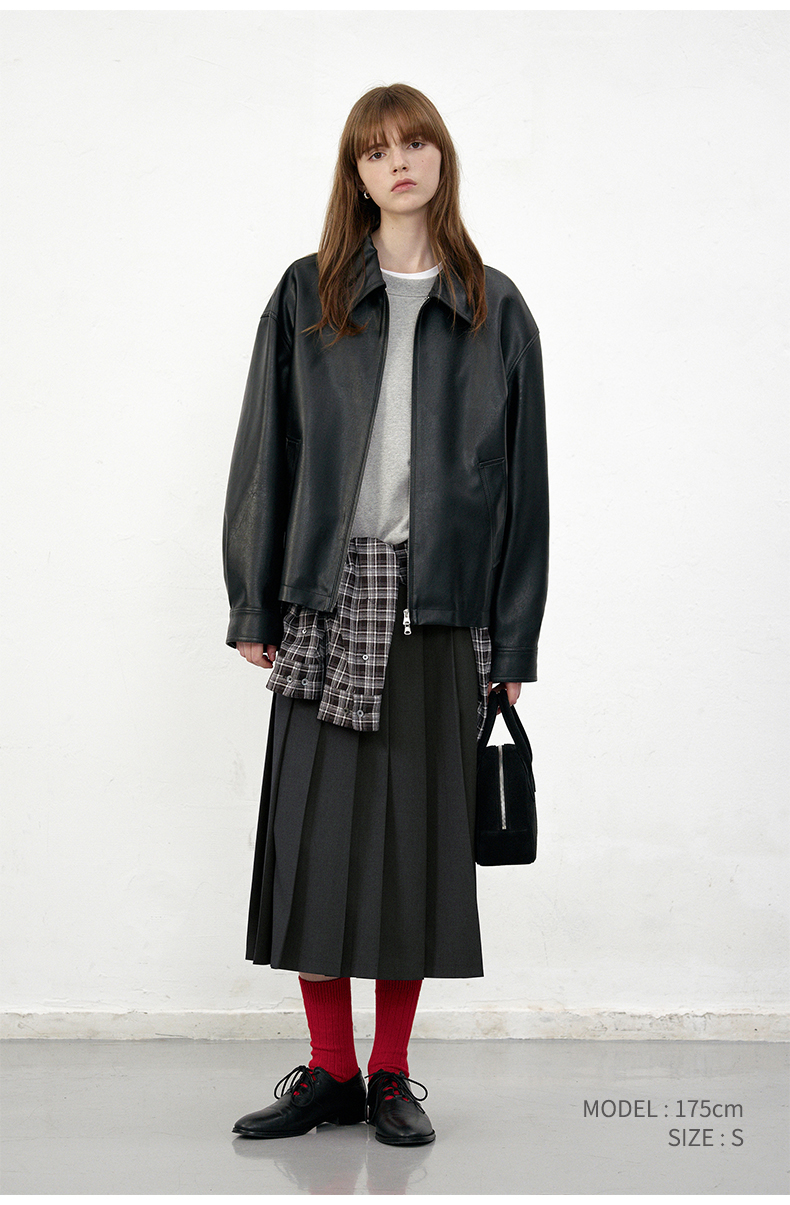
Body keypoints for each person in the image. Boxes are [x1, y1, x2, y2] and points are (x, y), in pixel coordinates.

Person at [223, 83, 549, 1146]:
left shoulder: (495, 308)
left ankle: (391, 1073)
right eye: (375, 151)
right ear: (356, 174)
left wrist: (514, 636)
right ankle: (329, 1070)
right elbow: (265, 451)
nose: (397, 162)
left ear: (441, 158)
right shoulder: (306, 293)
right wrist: (252, 595)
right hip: (325, 599)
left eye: (414, 143)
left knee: (414, 852)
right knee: (314, 845)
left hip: (441, 608)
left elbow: (525, 488)